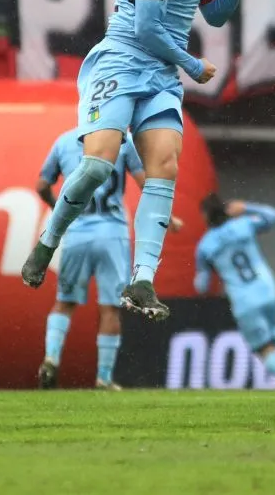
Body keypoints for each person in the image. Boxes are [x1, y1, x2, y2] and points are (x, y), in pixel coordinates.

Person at [20, 0, 262, 322]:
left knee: (165, 166)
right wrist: (191, 65)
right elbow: (146, 29)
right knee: (96, 166)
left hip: (160, 74)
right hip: (121, 62)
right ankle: (48, 242)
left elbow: (216, 15)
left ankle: (142, 280)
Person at [35, 127, 182, 390]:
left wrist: (59, 209)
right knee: (111, 308)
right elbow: (146, 184)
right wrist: (168, 219)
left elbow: (42, 185)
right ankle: (103, 377)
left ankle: (51, 358)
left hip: (77, 232)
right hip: (113, 234)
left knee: (64, 302)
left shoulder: (64, 141)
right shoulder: (122, 141)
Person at [194, 195, 275, 389]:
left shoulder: (205, 246)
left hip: (244, 300)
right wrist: (246, 207)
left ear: (205, 216)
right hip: (267, 289)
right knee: (271, 330)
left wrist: (206, 271)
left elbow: (202, 287)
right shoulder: (244, 224)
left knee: (264, 348)